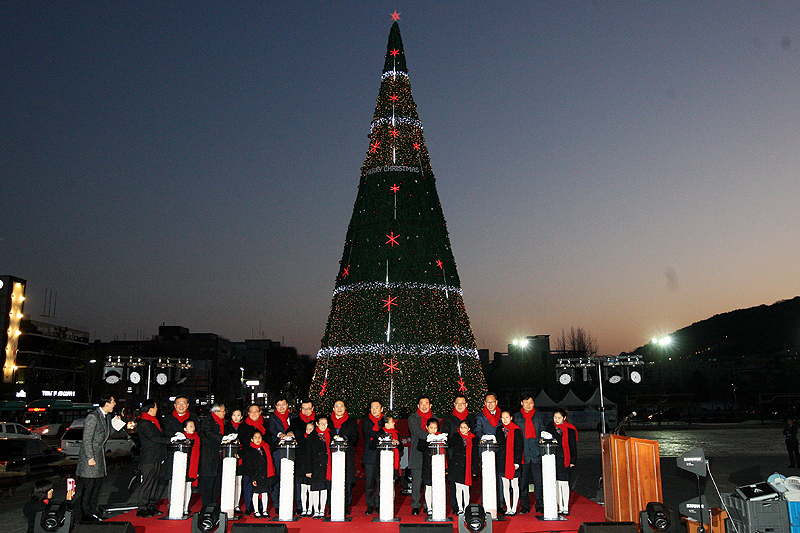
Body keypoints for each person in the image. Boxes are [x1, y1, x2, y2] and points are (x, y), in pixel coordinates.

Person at [76, 393, 118, 521]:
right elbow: (87, 439)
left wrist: (117, 424)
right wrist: (90, 457)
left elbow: (107, 434)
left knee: (96, 487)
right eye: (113, 401)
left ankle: (93, 511)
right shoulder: (93, 417)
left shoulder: (106, 416)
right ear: (106, 403)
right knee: (89, 487)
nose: (114, 404)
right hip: (91, 456)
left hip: (99, 456)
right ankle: (85, 513)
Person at [442, 395, 476, 513]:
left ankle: (466, 507)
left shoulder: (471, 417)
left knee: (466, 485)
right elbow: (446, 431)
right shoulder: (449, 417)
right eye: (457, 403)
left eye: (462, 403)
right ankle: (456, 507)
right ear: (454, 405)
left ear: (466, 404)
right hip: (453, 454)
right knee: (454, 484)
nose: (460, 405)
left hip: (467, 455)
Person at [137, 399, 170, 517]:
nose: (157, 409)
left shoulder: (153, 421)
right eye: (155, 407)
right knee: (147, 483)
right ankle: (142, 507)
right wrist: (169, 440)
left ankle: (151, 505)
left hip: (157, 456)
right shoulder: (144, 423)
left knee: (155, 483)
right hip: (149, 457)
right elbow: (154, 438)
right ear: (150, 409)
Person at [513, 393, 545, 513]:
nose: (528, 405)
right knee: (523, 483)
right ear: (521, 403)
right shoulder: (516, 417)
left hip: (536, 453)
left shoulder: (539, 416)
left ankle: (540, 505)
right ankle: (525, 506)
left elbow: (542, 429)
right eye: (526, 402)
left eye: (531, 402)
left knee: (539, 482)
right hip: (523, 454)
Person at [474, 392, 503, 511]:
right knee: (486, 478)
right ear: (484, 403)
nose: (490, 404)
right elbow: (477, 430)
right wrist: (486, 438)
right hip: (486, 451)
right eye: (488, 402)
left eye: (492, 402)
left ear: (496, 402)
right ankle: (486, 502)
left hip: (500, 450)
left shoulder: (502, 415)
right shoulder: (480, 417)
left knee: (500, 478)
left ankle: (500, 504)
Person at [545, 408, 577, 516]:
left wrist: (573, 460)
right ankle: (559, 506)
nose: (557, 420)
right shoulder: (550, 427)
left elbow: (573, 446)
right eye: (555, 417)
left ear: (564, 418)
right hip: (553, 459)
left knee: (564, 483)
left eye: (559, 418)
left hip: (565, 459)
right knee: (557, 483)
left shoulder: (570, 429)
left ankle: (565, 507)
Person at [408, 395, 436, 515]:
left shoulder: (434, 419)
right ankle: (415, 505)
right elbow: (416, 431)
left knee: (429, 482)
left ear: (430, 405)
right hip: (417, 454)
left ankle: (427, 504)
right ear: (418, 406)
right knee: (416, 483)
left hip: (431, 454)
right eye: (422, 403)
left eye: (426, 403)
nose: (424, 406)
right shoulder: (413, 418)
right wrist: (430, 436)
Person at [330, 399, 359, 514]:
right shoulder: (328, 421)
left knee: (347, 480)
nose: (339, 408)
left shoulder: (351, 421)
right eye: (336, 406)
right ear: (333, 409)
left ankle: (346, 506)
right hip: (331, 455)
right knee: (332, 481)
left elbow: (355, 437)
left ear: (345, 408)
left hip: (347, 454)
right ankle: (332, 505)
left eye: (341, 406)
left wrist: (342, 439)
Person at [161, 396, 199, 483]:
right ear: (174, 405)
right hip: (173, 456)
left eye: (184, 403)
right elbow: (166, 433)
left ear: (188, 405)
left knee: (187, 483)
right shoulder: (168, 419)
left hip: (190, 455)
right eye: (178, 403)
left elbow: (198, 433)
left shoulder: (193, 418)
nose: (181, 406)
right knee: (173, 482)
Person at [239, 403, 268, 514]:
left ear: (260, 412)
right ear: (248, 413)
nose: (254, 413)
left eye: (256, 411)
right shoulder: (243, 426)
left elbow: (267, 441)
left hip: (261, 458)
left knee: (262, 483)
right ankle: (248, 507)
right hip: (248, 458)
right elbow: (244, 442)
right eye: (252, 411)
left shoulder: (265, 424)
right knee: (248, 482)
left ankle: (261, 507)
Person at [242, 431, 278, 518]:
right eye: (255, 437)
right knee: (256, 493)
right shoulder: (249, 450)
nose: (258, 439)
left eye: (259, 437)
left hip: (265, 474)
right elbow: (249, 465)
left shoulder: (265, 447)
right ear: (251, 439)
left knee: (265, 492)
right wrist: (253, 478)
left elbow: (274, 446)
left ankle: (265, 510)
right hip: (256, 474)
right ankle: (256, 511)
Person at [266, 397, 295, 505]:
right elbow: (272, 429)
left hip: (291, 450)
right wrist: (280, 435)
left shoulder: (292, 417)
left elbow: (295, 428)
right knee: (278, 476)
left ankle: (290, 502)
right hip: (278, 450)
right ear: (276, 407)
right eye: (279, 404)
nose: (281, 407)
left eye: (283, 404)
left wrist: (292, 432)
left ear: (287, 405)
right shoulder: (272, 418)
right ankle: (277, 503)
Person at [290, 399, 316, 514]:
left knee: (313, 483)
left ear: (313, 409)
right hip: (300, 456)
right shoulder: (295, 421)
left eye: (308, 408)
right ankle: (300, 506)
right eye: (304, 408)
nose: (306, 411)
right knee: (299, 483)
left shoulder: (318, 421)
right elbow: (289, 431)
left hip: (314, 457)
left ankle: (313, 506)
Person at [199, 402, 227, 506]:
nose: (224, 413)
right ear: (216, 412)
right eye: (223, 411)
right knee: (208, 483)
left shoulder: (222, 422)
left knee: (217, 482)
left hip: (219, 456)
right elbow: (209, 433)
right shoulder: (208, 421)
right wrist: (222, 438)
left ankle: (214, 504)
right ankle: (207, 506)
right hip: (209, 456)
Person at [448, 419, 477, 515]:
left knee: (466, 489)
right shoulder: (456, 436)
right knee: (458, 488)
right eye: (461, 427)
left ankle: (467, 507)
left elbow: (475, 455)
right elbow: (449, 444)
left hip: (467, 467)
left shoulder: (474, 439)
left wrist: (475, 469)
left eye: (465, 427)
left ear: (469, 428)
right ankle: (460, 508)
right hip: (457, 467)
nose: (463, 429)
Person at [497, 411, 523, 515]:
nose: (505, 419)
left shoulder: (516, 430)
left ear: (511, 417)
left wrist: (517, 462)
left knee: (514, 485)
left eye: (507, 417)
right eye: (502, 417)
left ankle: (514, 507)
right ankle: (508, 507)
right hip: (502, 461)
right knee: (505, 485)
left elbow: (519, 447)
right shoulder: (499, 429)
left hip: (513, 461)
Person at [362, 399, 384, 514]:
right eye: (372, 407)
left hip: (383, 455)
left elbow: (388, 431)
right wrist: (380, 433)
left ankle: (379, 504)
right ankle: (370, 505)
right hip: (369, 455)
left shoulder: (385, 420)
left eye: (377, 407)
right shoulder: (366, 421)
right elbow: (368, 432)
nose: (374, 410)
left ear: (381, 409)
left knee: (381, 482)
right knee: (369, 483)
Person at [417, 417, 442, 517]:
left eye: (435, 428)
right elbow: (419, 448)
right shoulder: (424, 439)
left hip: (438, 467)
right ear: (427, 428)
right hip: (427, 466)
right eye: (431, 428)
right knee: (428, 487)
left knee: (437, 487)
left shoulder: (441, 437)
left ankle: (437, 505)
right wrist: (429, 441)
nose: (433, 430)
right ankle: (429, 507)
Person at [308, 415, 332, 518]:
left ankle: (322, 510)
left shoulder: (330, 434)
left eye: (325, 424)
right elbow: (307, 455)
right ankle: (315, 510)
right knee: (314, 489)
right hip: (315, 466)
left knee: (323, 489)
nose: (323, 426)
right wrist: (308, 470)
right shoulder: (311, 436)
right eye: (321, 423)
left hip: (326, 466)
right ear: (317, 424)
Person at [297, 420, 316, 516]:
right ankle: (304, 508)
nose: (309, 431)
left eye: (311, 429)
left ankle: (310, 508)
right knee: (302, 489)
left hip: (311, 467)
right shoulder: (300, 439)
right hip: (301, 468)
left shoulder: (315, 440)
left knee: (311, 489)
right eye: (307, 429)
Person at [182, 419, 201, 515]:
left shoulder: (197, 438)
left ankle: (186, 507)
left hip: (193, 465)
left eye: (193, 426)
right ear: (185, 428)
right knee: (181, 486)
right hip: (183, 465)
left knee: (188, 485)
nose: (192, 428)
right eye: (190, 426)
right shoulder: (181, 438)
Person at [228, 409, 244, 515]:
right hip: (229, 457)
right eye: (234, 415)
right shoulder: (227, 427)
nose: (236, 417)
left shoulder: (244, 427)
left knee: (238, 482)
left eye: (238, 415)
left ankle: (236, 504)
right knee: (229, 481)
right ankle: (229, 503)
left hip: (240, 457)